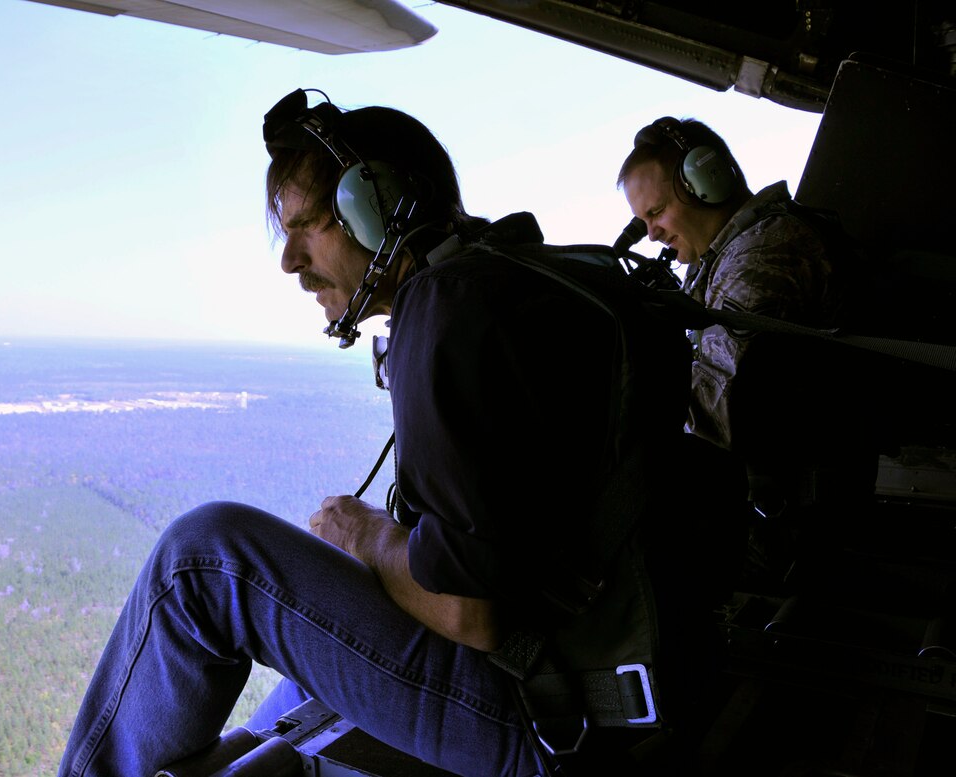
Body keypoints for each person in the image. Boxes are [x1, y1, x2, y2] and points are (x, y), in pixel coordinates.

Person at [58, 91, 743, 777]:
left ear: (377, 210)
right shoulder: (526, 278)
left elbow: (469, 614)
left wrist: (363, 533)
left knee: (203, 560)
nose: (290, 261)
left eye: (311, 226)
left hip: (548, 721)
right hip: (629, 691)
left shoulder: (444, 308)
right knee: (289, 692)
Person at [617, 116, 877, 588]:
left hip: (785, 524)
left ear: (704, 184)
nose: (651, 233)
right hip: (768, 499)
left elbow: (715, 414)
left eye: (656, 213)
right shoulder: (726, 259)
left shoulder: (764, 253)